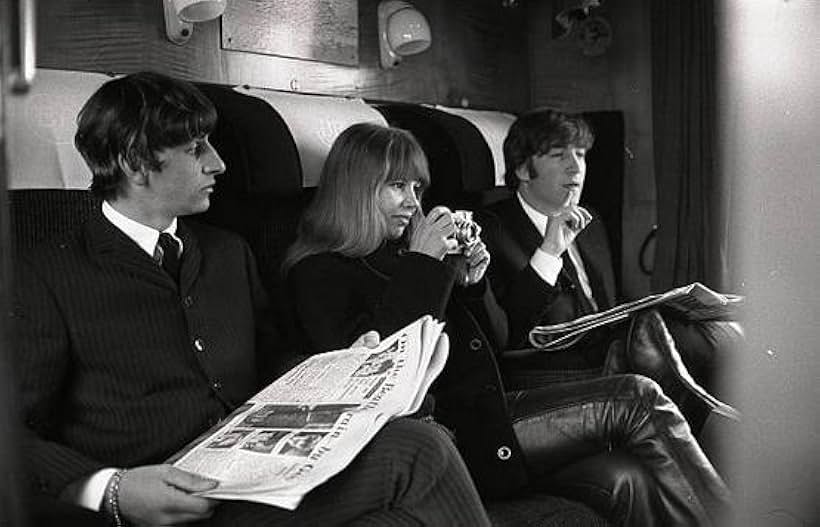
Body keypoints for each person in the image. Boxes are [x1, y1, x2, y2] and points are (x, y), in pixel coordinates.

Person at [11, 72, 492, 527]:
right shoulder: (45, 272)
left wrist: (340, 369)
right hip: (161, 498)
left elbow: (270, 360)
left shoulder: (225, 251)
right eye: (196, 148)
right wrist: (112, 489)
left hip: (257, 476)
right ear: (136, 163)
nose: (218, 163)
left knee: (418, 452)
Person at [283, 122, 733, 526]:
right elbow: (379, 370)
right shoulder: (319, 272)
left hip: (487, 410)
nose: (412, 202)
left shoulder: (409, 257)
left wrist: (470, 284)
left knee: (638, 418)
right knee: (635, 395)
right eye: (397, 186)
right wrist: (425, 265)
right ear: (356, 189)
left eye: (417, 187)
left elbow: (494, 341)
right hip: (446, 439)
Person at [477, 108, 742, 431]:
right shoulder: (490, 229)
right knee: (673, 343)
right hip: (547, 371)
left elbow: (606, 307)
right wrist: (549, 251)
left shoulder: (591, 222)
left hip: (607, 355)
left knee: (710, 333)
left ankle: (727, 421)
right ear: (522, 168)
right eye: (559, 155)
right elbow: (508, 333)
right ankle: (722, 427)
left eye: (581, 155)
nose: (575, 167)